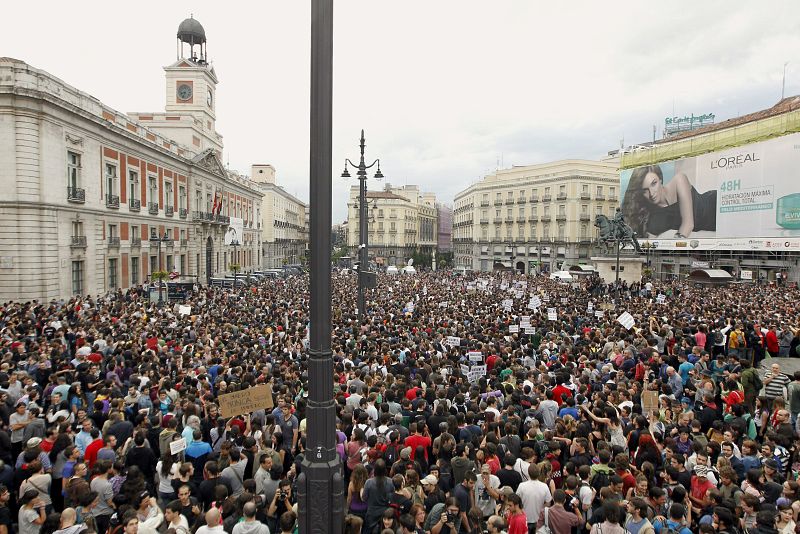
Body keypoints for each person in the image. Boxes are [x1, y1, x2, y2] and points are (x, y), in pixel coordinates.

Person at [622, 163, 716, 238]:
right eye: (645, 190)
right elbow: (649, 241)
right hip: (711, 226)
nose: (651, 193)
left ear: (660, 180)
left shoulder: (679, 180)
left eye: (654, 184)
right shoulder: (653, 218)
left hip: (715, 205)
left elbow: (688, 224)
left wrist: (674, 245)